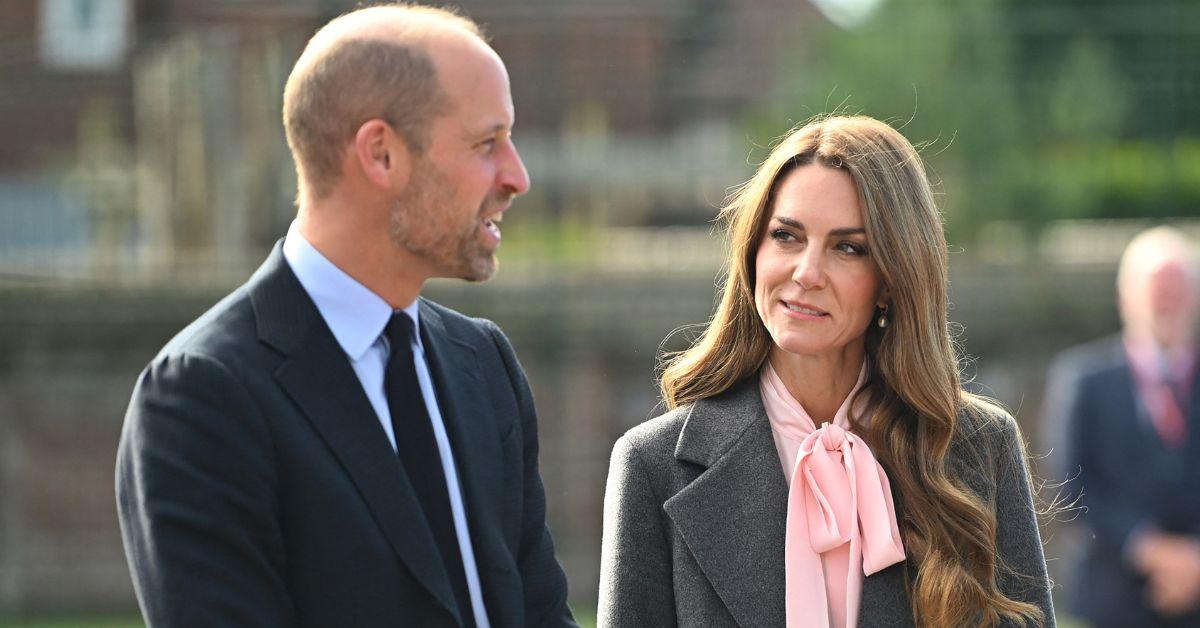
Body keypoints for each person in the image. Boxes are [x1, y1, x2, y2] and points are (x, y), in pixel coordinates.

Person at [115, 5, 576, 627]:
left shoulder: (482, 363)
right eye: (486, 143)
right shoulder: (203, 395)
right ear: (380, 154)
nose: (517, 176)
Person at [598, 116, 1054, 627]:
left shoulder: (980, 447)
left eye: (848, 248)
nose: (807, 273)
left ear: (891, 278)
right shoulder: (653, 465)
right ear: (753, 252)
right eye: (786, 236)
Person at [1042, 226, 1200, 627]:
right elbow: (1069, 486)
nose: (1166, 301)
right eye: (1156, 289)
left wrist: (1193, 562)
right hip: (1110, 601)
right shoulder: (1083, 380)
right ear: (1125, 296)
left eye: (1177, 289)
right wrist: (1151, 550)